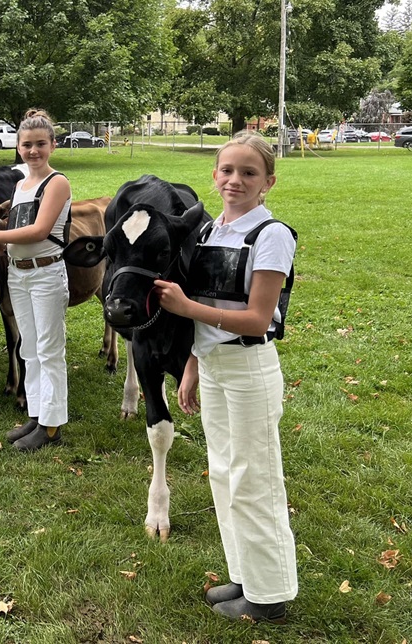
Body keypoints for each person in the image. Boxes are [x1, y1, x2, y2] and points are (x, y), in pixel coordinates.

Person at [154, 131, 298, 624]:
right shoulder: (213, 230)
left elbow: (258, 318)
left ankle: (270, 593)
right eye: (228, 171)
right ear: (215, 177)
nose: (236, 180)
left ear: (268, 183)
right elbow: (211, 312)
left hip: (248, 369)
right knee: (223, 473)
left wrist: (186, 306)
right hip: (214, 366)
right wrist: (194, 364)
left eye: (249, 173)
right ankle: (246, 574)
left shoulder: (270, 235)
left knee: (253, 479)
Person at [0, 109, 71, 451]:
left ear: (53, 145)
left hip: (45, 271)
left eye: (41, 144)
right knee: (29, 348)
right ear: (18, 147)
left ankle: (52, 426)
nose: (34, 151)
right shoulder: (20, 185)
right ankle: (37, 414)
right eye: (27, 145)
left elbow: (40, 230)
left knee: (49, 350)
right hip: (20, 272)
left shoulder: (56, 182)